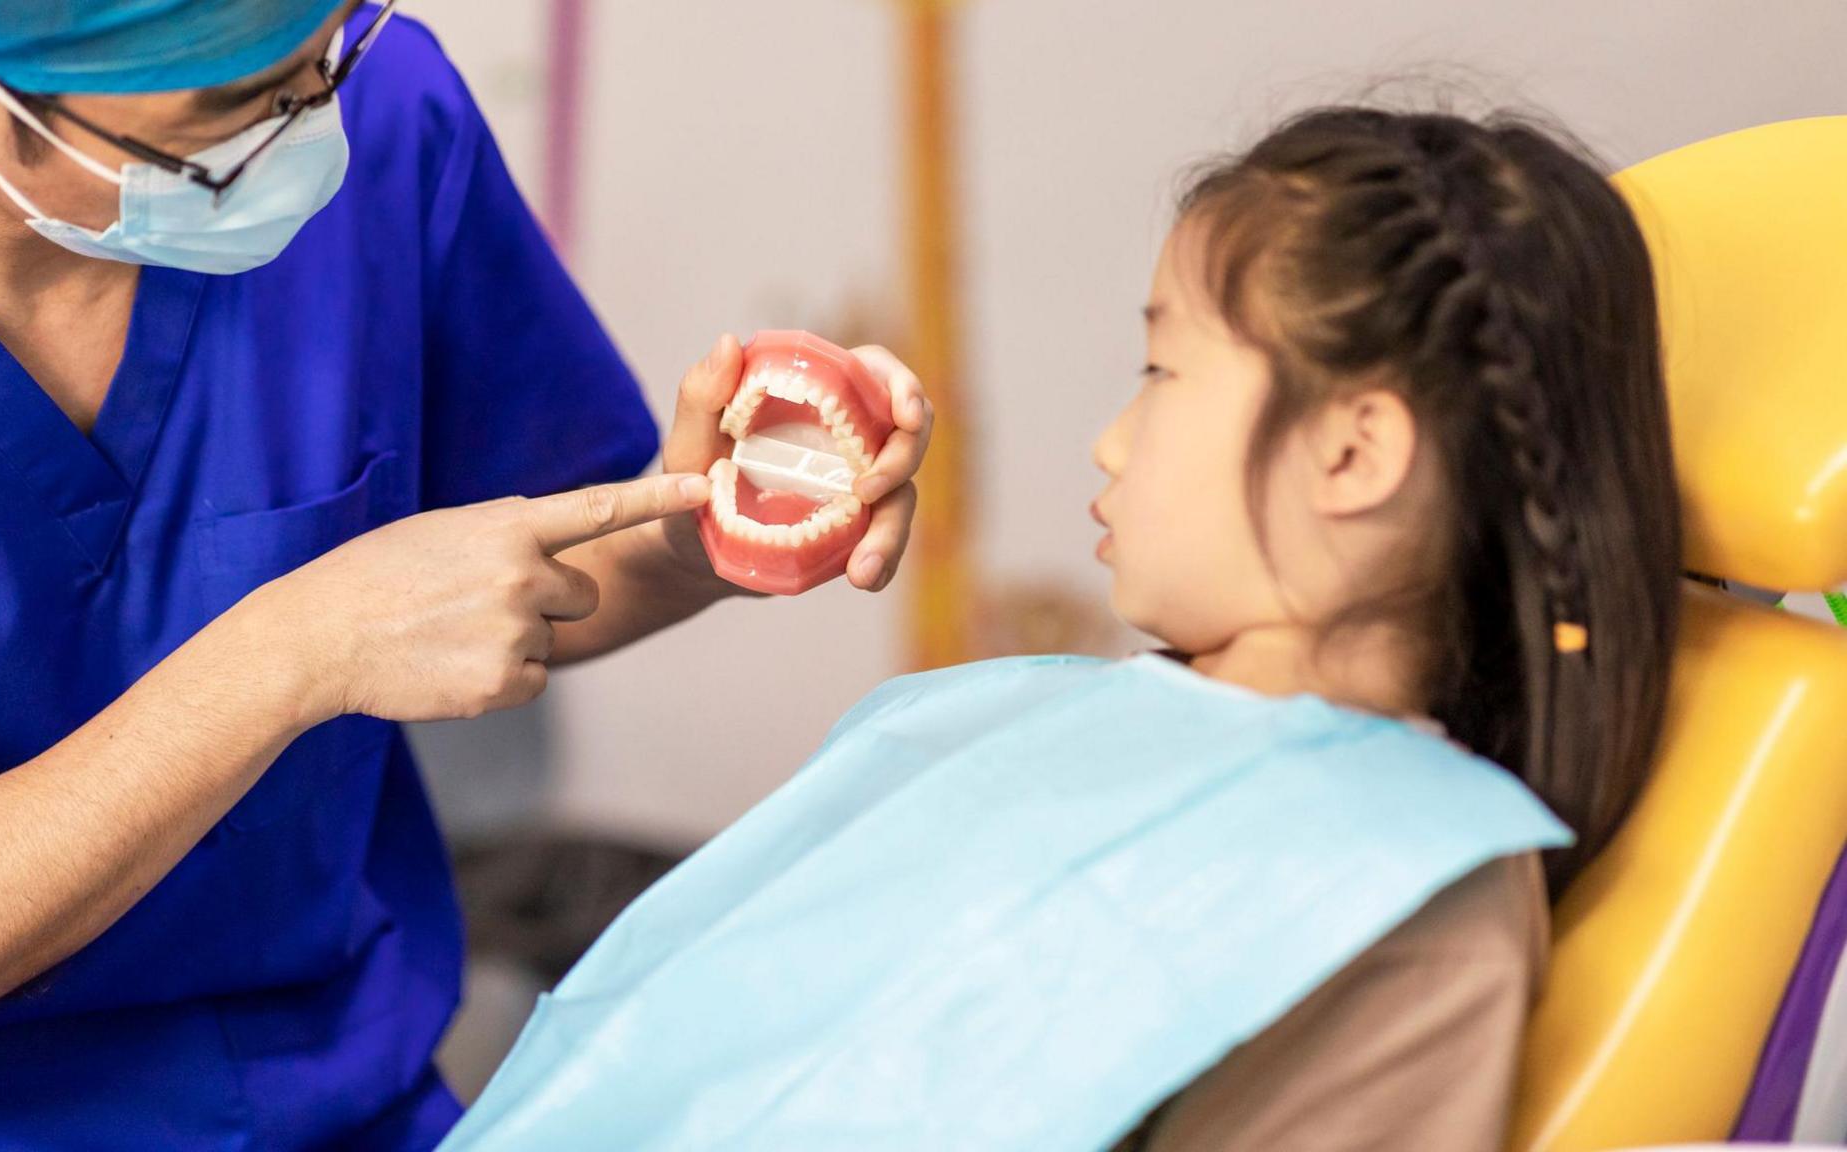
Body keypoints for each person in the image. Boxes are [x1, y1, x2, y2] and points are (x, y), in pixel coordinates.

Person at [441, 106, 1684, 1151]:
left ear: (1352, 450)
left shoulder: (1406, 902)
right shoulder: (1080, 724)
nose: (1111, 438)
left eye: (1161, 373)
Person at [0, 1, 929, 1147]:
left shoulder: (374, 105)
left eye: (321, 59)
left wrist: (695, 541)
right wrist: (295, 651)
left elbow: (484, 590)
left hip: (355, 1107)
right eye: (230, 111)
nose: (305, 140)